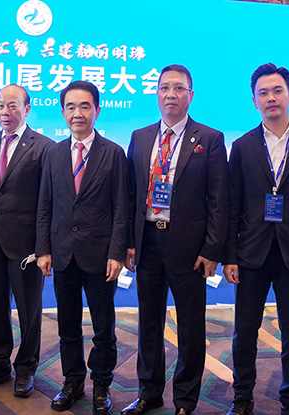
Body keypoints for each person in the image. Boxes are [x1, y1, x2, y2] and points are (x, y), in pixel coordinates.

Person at [223, 63, 289, 415]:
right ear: (254, 101)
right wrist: (229, 255)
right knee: (244, 333)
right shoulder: (242, 146)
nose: (271, 97)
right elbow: (232, 206)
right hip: (251, 253)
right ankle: (242, 397)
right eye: (263, 93)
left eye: (277, 91)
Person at [123, 64, 229, 415]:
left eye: (179, 88)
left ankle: (185, 400)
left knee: (190, 325)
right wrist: (130, 241)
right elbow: (131, 195)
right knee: (149, 321)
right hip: (148, 242)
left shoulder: (210, 139)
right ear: (156, 93)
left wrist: (212, 248)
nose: (171, 94)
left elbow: (219, 200)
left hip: (190, 246)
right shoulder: (140, 137)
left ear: (190, 95)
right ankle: (149, 392)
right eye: (165, 87)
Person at [36, 80, 128, 415]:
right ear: (63, 112)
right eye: (71, 107)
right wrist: (43, 249)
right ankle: (72, 381)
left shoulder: (113, 153)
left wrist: (117, 252)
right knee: (68, 326)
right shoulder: (54, 153)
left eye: (85, 106)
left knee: (104, 328)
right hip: (62, 254)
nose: (78, 113)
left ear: (97, 111)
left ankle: (101, 384)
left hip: (100, 257)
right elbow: (45, 204)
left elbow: (121, 208)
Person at [0, 84, 53, 397]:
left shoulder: (44, 147)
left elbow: (47, 202)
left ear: (27, 109)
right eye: (0, 105)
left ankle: (27, 367)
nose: (5, 112)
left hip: (27, 246)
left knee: (29, 311)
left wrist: (43, 247)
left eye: (13, 106)